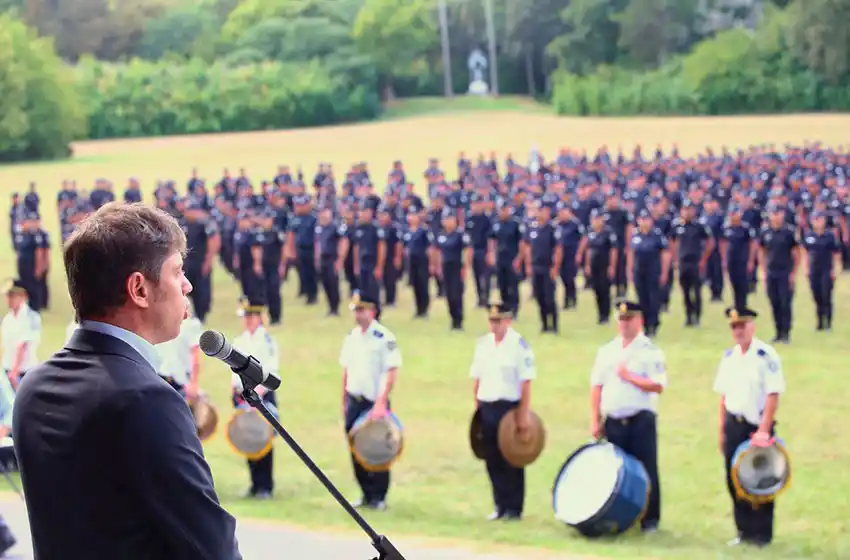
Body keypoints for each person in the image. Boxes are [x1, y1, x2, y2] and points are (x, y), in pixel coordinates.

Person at [12, 202, 241, 560]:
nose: (188, 285)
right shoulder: (146, 399)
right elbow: (211, 549)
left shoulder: (34, 387)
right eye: (177, 271)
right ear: (139, 289)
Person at [589, 300, 666, 532]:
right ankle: (619, 516)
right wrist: (595, 419)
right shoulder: (607, 350)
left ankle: (650, 520)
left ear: (639, 320)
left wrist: (629, 376)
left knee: (646, 469)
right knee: (615, 472)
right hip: (614, 419)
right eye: (621, 320)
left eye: (629, 319)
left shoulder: (650, 351)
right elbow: (596, 386)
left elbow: (657, 385)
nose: (624, 324)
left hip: (639, 418)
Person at [713, 306, 785, 547]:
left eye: (742, 325)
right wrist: (722, 430)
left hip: (757, 426)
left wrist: (764, 430)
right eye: (734, 327)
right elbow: (723, 396)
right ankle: (743, 531)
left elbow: (773, 394)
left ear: (752, 326)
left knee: (762, 480)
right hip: (735, 424)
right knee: (734, 480)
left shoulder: (766, 355)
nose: (738, 331)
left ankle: (762, 534)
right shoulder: (729, 357)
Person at [469, 301, 536, 521]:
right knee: (492, 459)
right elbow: (477, 379)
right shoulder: (483, 344)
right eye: (491, 321)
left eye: (499, 321)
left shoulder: (519, 346)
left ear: (508, 321)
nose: (494, 325)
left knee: (512, 459)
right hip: (487, 406)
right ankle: (499, 505)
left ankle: (514, 508)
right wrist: (477, 409)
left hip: (509, 408)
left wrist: (523, 415)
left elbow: (526, 383)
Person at [338, 291, 402, 510]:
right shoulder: (351, 337)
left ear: (372, 311)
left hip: (374, 402)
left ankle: (379, 496)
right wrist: (343, 400)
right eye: (355, 310)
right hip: (354, 400)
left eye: (362, 310)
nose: (358, 314)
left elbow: (391, 371)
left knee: (378, 450)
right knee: (355, 448)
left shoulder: (386, 338)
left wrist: (381, 402)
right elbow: (346, 371)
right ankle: (365, 492)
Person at [231, 300, 280, 499]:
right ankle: (254, 482)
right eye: (245, 316)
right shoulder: (239, 340)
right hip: (241, 395)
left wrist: (256, 393)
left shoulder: (266, 341)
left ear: (260, 317)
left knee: (263, 439)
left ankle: (265, 485)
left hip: (261, 396)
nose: (248, 320)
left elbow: (270, 371)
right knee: (247, 439)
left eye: (251, 316)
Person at [759, 206, 799, 343]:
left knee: (785, 303)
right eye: (773, 214)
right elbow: (762, 251)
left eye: (778, 214)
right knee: (774, 302)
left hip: (785, 272)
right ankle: (777, 332)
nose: (776, 217)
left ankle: (786, 333)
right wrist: (763, 271)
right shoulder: (765, 231)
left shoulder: (789, 232)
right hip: (771, 272)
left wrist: (793, 273)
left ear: (782, 215)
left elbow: (796, 253)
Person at [802, 211, 841, 331]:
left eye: (820, 219)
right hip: (814, 270)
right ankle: (819, 323)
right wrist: (806, 268)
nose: (817, 222)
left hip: (826, 269)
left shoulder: (830, 236)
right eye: (815, 219)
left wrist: (835, 270)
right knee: (817, 295)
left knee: (826, 296)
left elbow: (836, 253)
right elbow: (805, 253)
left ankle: (828, 323)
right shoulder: (809, 236)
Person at [155, 303, 202, 399]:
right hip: (159, 376)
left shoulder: (190, 325)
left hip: (181, 381)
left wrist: (194, 383)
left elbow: (195, 354)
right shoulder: (157, 321)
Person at [1, 279, 42, 390]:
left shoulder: (32, 318)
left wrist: (15, 371)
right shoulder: (7, 319)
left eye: (13, 295)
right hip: (8, 370)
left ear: (22, 296)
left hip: (25, 372)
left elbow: (23, 346)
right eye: (8, 295)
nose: (9, 299)